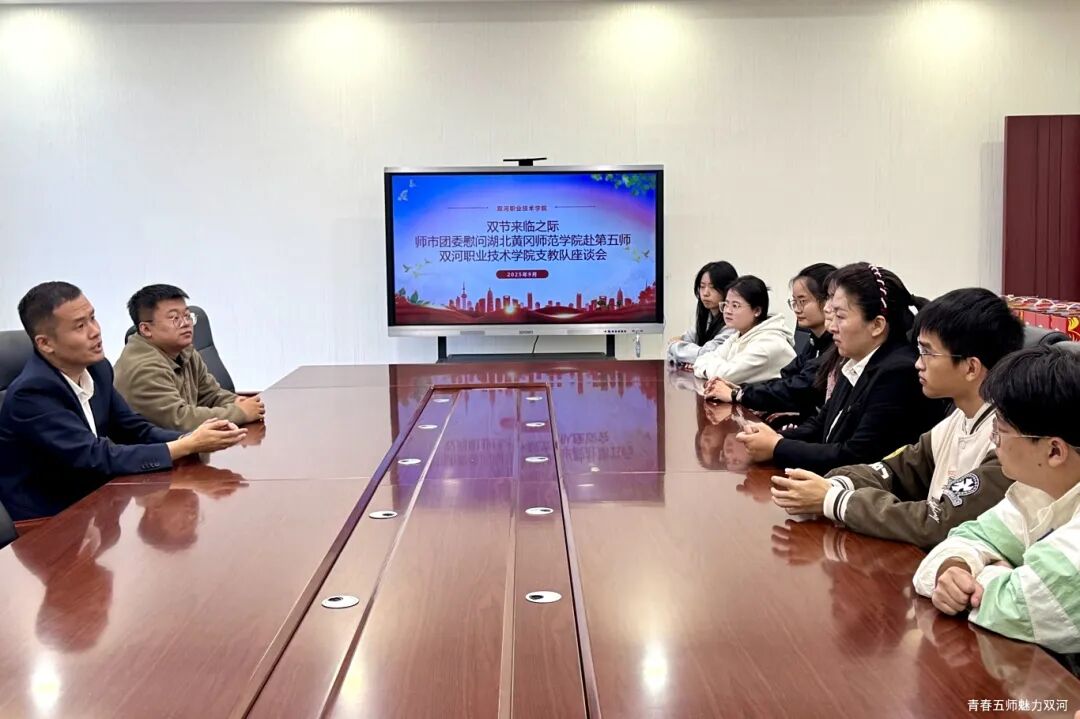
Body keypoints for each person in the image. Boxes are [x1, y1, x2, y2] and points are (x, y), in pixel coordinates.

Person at [769, 288, 1024, 549]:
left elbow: (940, 523)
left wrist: (835, 500)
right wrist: (835, 484)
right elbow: (895, 470)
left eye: (928, 353)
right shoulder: (959, 417)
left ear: (971, 367)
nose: (918, 364)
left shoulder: (1010, 440)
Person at [0, 282, 246, 521]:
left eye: (93, 318)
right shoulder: (32, 393)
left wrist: (190, 439)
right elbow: (93, 456)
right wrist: (186, 446)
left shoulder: (98, 369)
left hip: (99, 505)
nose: (95, 331)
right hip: (48, 521)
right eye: (80, 326)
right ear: (45, 343)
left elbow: (134, 429)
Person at [914, 346, 1080, 657]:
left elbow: (1016, 606)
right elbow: (966, 537)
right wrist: (953, 568)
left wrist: (991, 572)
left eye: (1000, 431)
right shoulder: (1041, 488)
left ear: (1054, 451)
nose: (993, 441)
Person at [736, 262, 945, 474]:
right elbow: (821, 424)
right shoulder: (855, 359)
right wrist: (773, 438)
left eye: (841, 316)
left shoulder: (898, 372)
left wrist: (777, 447)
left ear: (877, 325)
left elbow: (855, 456)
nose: (831, 326)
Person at [114, 284, 264, 431]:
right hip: (150, 446)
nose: (186, 323)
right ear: (146, 329)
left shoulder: (184, 351)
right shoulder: (144, 368)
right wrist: (240, 413)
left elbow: (210, 395)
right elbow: (180, 420)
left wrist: (237, 401)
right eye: (174, 318)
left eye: (187, 316)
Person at [705, 263, 836, 423]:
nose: (796, 309)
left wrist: (738, 394)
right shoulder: (814, 341)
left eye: (802, 301)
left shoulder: (834, 346)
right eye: (794, 302)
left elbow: (800, 388)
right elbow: (787, 376)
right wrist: (742, 391)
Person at [692, 275, 796, 383]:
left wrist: (707, 368)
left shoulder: (769, 343)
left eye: (735, 306)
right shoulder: (739, 335)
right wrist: (716, 367)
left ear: (757, 311)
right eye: (726, 304)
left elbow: (725, 377)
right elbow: (701, 360)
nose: (727, 311)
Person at [668, 261, 739, 366]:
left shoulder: (733, 322)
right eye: (702, 286)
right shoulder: (706, 317)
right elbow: (674, 351)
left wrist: (676, 347)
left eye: (712, 287)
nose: (705, 293)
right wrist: (680, 350)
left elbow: (706, 355)